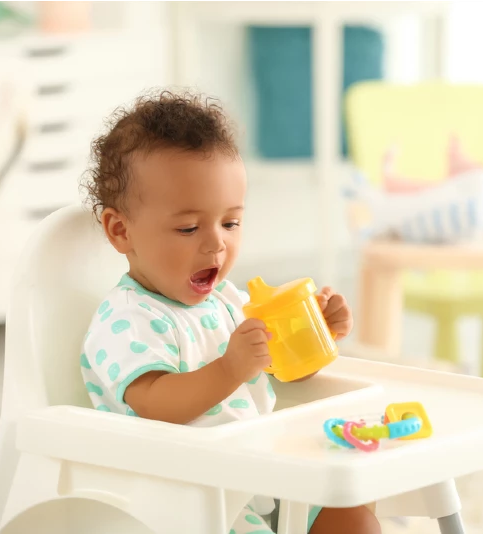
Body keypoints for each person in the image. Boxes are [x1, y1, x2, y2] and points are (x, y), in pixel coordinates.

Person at [78, 90, 380, 534]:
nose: (216, 243)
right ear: (121, 231)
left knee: (353, 512)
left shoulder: (227, 301)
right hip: (189, 501)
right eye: (188, 227)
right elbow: (154, 406)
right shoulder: (125, 321)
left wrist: (315, 337)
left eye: (231, 222)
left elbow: (280, 371)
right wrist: (231, 367)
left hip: (258, 475)